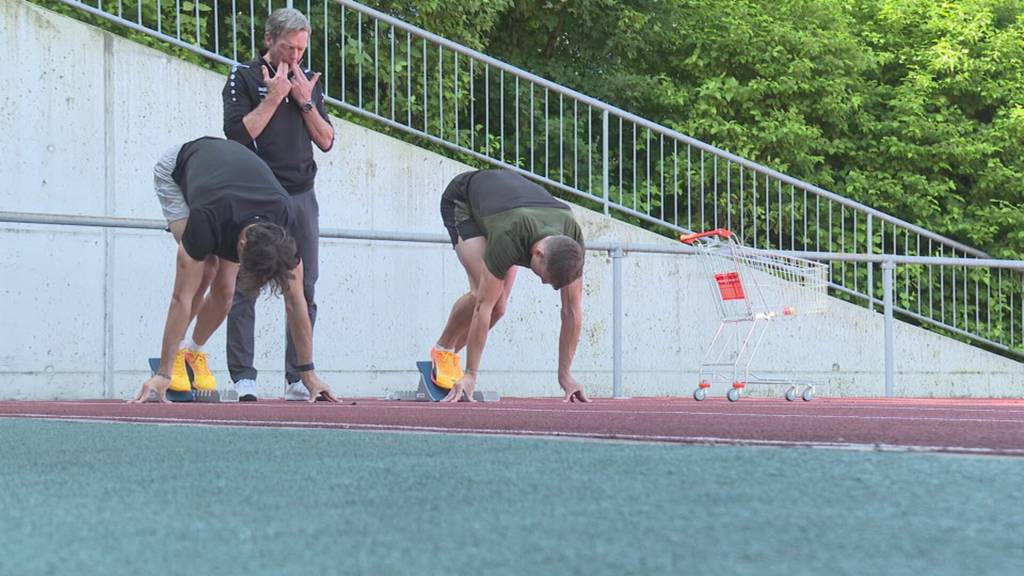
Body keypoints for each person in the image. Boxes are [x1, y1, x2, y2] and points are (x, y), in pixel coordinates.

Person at [130, 137, 339, 404]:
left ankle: (192, 353)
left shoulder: (284, 217)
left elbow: (296, 303)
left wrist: (308, 374)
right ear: (241, 244)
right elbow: (180, 298)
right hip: (179, 167)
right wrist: (163, 374)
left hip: (233, 185)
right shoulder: (207, 220)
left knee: (226, 290)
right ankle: (175, 360)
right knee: (206, 270)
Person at [222, 7, 334, 402]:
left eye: (302, 50)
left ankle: (297, 375)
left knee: (306, 285)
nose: (296, 57)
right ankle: (243, 377)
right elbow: (238, 136)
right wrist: (274, 98)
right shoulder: (244, 76)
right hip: (258, 195)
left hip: (302, 194)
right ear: (269, 40)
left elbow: (326, 140)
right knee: (246, 283)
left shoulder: (308, 81)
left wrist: (304, 101)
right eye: (290, 48)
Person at [431, 169, 590, 403]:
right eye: (544, 277)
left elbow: (572, 310)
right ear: (537, 253)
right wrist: (471, 375)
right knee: (486, 299)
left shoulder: (572, 241)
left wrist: (566, 375)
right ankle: (442, 350)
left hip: (508, 208)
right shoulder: (509, 237)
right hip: (464, 200)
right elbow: (482, 309)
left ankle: (451, 354)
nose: (544, 282)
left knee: (500, 308)